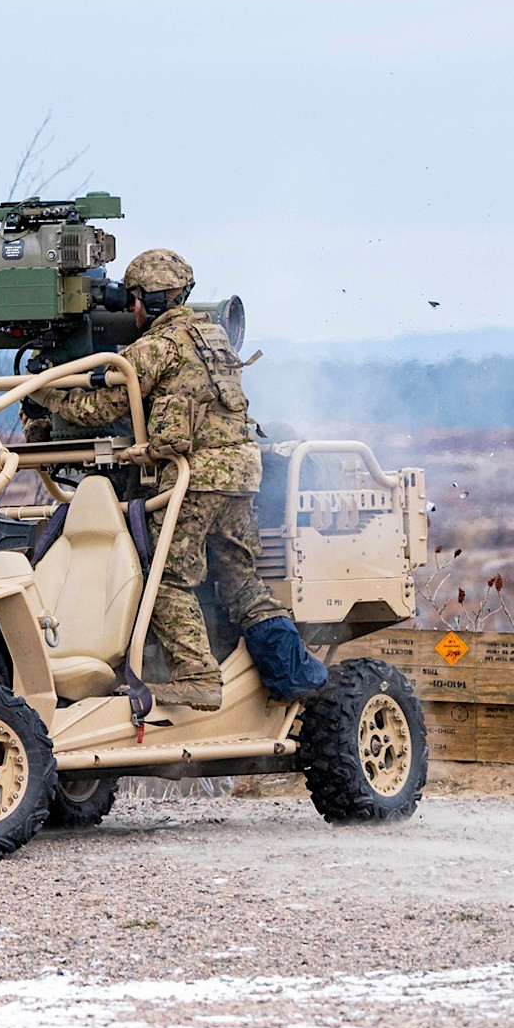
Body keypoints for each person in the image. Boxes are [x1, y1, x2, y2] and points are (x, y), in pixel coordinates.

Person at [29, 248, 321, 710]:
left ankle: (198, 676)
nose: (132, 309)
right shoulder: (215, 338)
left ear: (145, 300)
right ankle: (293, 673)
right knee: (242, 579)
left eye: (134, 300)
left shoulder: (155, 348)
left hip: (195, 478)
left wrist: (44, 393)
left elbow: (98, 409)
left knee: (164, 579)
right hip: (239, 474)